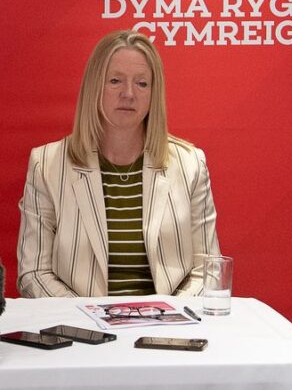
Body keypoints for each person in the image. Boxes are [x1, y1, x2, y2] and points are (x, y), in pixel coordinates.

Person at [17, 30, 220, 297]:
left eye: (142, 83)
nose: (129, 93)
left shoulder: (190, 164)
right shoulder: (47, 165)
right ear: (94, 86)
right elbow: (34, 273)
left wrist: (171, 313)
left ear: (154, 93)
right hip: (79, 320)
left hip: (170, 320)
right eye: (115, 81)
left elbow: (209, 269)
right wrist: (84, 314)